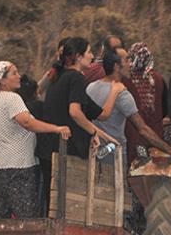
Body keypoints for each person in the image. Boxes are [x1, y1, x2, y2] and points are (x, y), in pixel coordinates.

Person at [0, 61, 71, 219]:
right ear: (3, 80)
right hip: (16, 166)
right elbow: (26, 122)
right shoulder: (12, 99)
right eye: (14, 73)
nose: (19, 76)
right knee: (25, 215)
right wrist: (56, 128)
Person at [36, 37, 119, 214]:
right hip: (65, 148)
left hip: (48, 147)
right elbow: (75, 112)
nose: (92, 56)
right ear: (78, 57)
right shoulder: (75, 78)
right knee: (66, 203)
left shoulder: (58, 77)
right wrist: (93, 132)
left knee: (50, 200)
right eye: (89, 52)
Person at [87, 47, 171, 165]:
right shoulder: (122, 94)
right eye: (127, 60)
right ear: (116, 67)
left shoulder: (91, 87)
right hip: (115, 154)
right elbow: (143, 129)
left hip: (96, 151)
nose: (131, 64)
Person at [124, 42, 169, 162]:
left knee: (136, 168)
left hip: (134, 137)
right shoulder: (158, 78)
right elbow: (165, 109)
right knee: (154, 169)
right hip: (156, 136)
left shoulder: (126, 80)